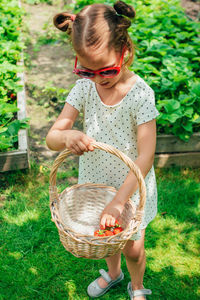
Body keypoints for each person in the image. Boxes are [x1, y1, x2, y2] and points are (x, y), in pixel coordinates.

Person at [46, 1, 159, 299]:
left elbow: (146, 155)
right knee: (105, 236)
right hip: (98, 182)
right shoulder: (84, 89)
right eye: (88, 71)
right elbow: (51, 138)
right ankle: (113, 273)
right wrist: (67, 135)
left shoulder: (141, 95)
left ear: (126, 50)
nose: (99, 78)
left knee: (133, 247)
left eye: (107, 69)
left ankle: (137, 285)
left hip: (131, 187)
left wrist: (120, 201)